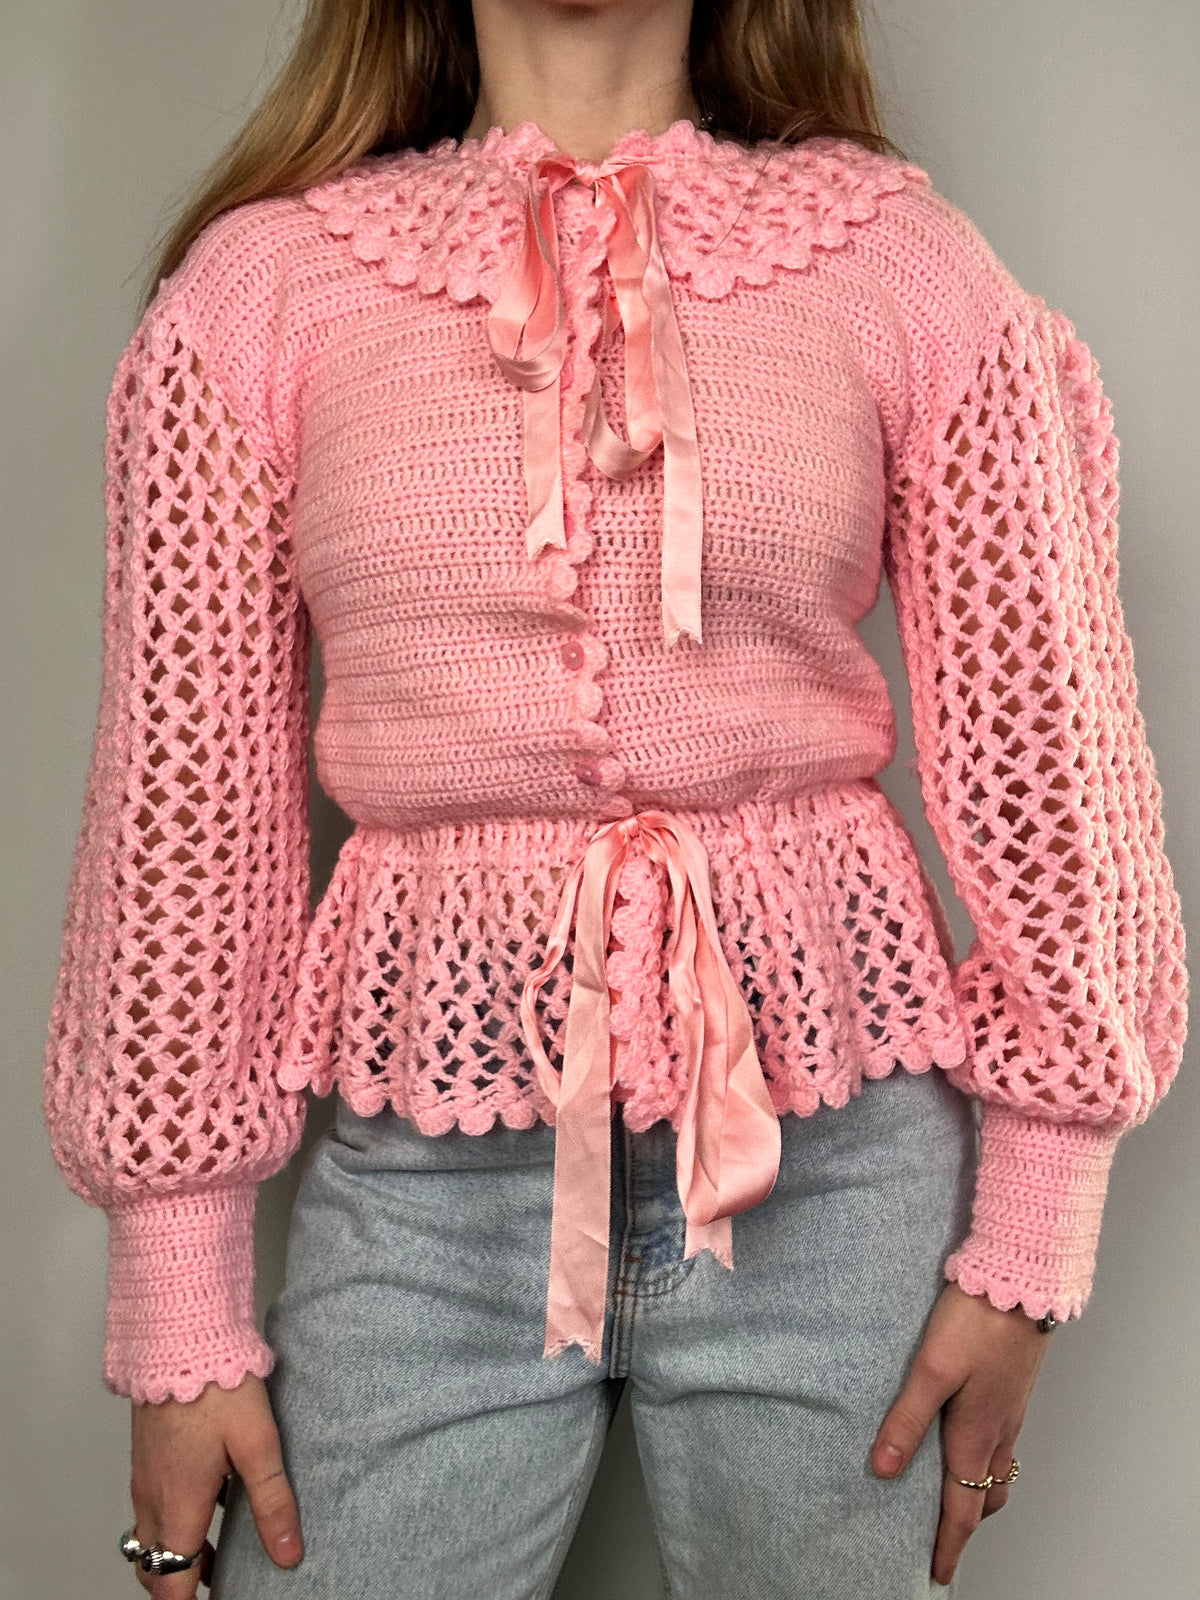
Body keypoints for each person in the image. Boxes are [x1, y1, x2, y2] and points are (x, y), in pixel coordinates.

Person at [42, 0, 1188, 1595]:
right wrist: (177, 1305)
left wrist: (1034, 1235)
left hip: (835, 1161)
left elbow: (1058, 761)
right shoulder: (261, 295)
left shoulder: (897, 266)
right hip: (427, 1187)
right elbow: (181, 824)